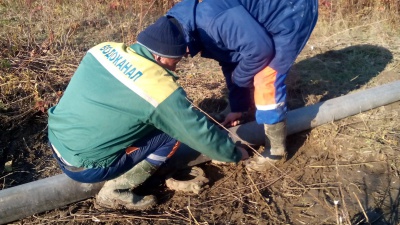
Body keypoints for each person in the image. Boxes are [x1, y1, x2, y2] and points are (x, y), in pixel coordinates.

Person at [47, 16, 249, 211]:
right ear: (160, 56)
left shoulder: (102, 49)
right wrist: (232, 153)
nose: (176, 66)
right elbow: (197, 134)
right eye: (176, 61)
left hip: (56, 140)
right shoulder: (157, 88)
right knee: (171, 134)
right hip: (85, 168)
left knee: (153, 117)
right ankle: (116, 189)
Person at [166, 0, 318, 171]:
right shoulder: (188, 23)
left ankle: (276, 151)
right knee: (244, 69)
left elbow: (261, 51)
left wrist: (240, 79)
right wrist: (237, 107)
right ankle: (243, 109)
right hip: (264, 20)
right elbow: (231, 59)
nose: (184, 59)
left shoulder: (212, 21)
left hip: (291, 11)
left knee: (266, 79)